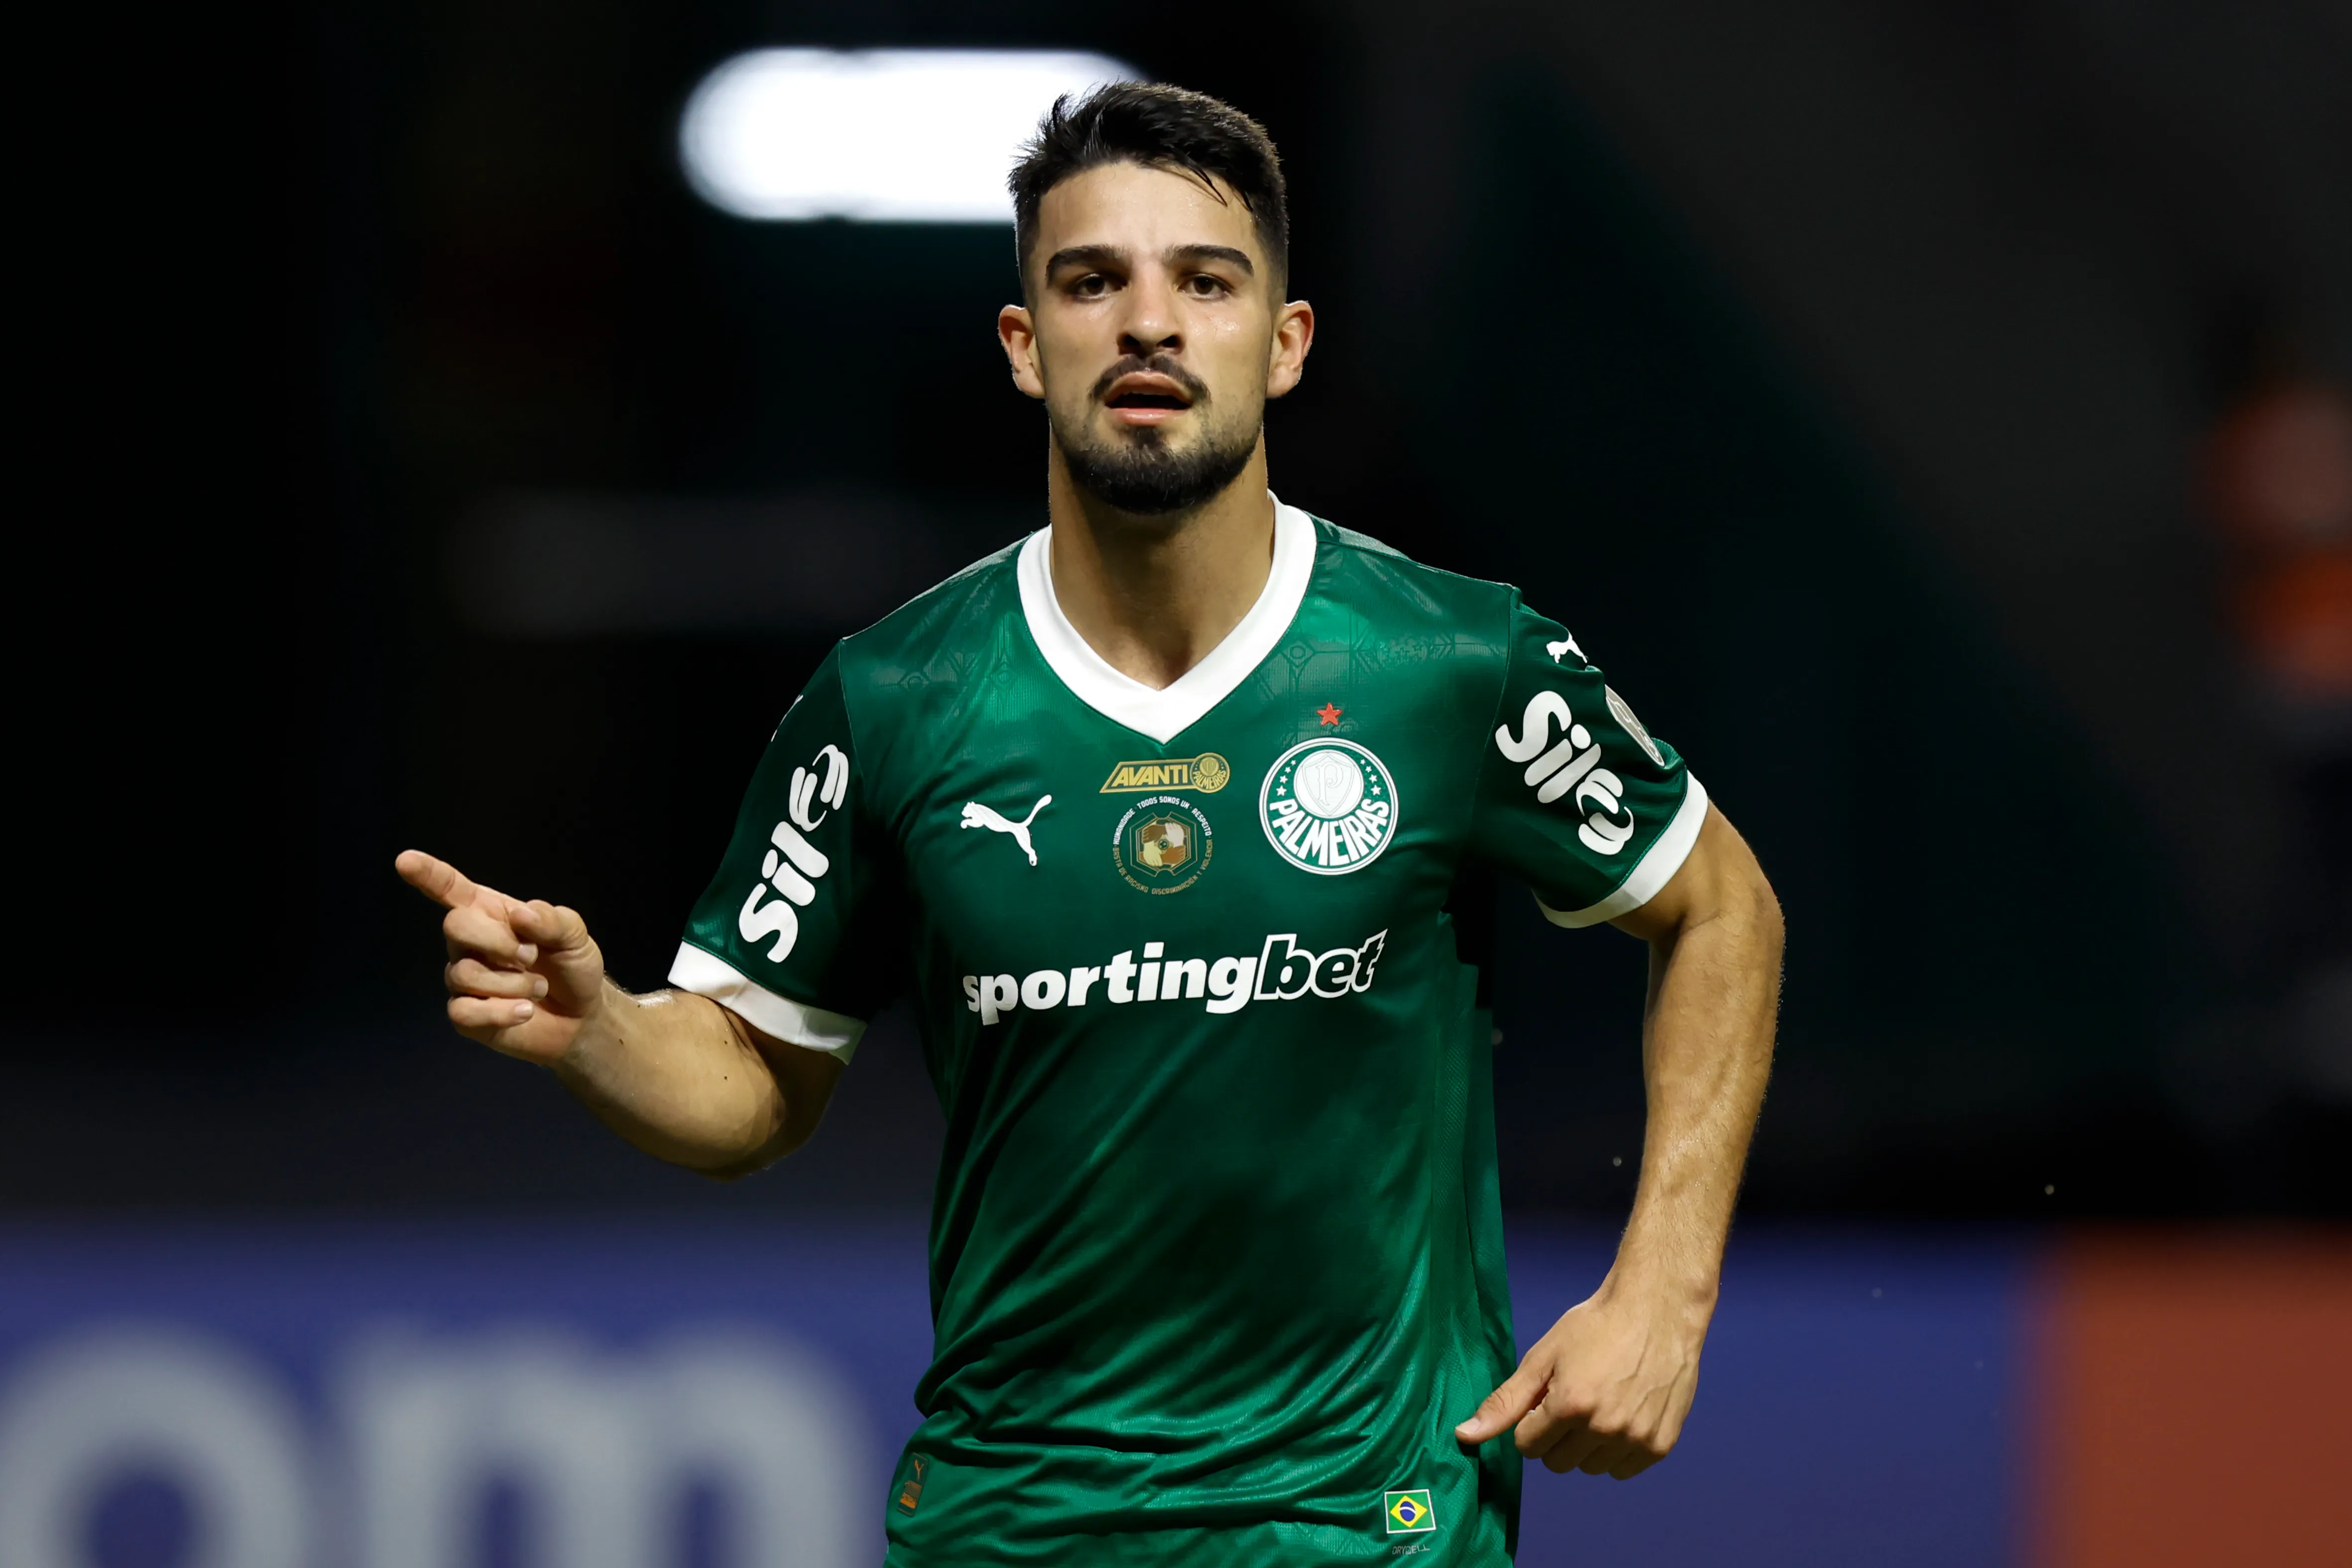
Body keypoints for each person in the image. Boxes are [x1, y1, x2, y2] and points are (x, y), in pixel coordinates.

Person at [398, 82, 1781, 1567]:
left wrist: (1664, 1289)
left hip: (1362, 1521)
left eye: (1204, 279)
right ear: (1021, 345)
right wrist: (603, 1023)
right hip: (1009, 1522)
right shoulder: (896, 698)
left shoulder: (1450, 662)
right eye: (1088, 280)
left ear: (1286, 341)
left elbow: (1719, 907)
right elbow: (751, 1077)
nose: (1147, 321)